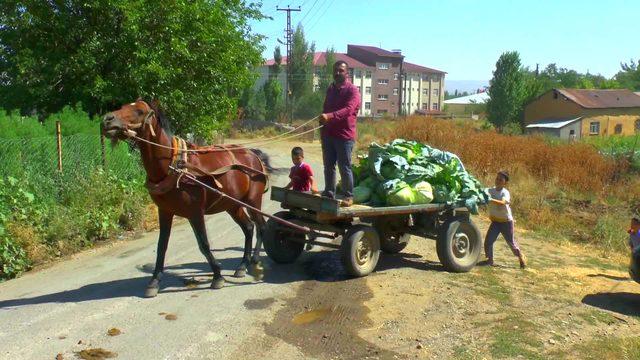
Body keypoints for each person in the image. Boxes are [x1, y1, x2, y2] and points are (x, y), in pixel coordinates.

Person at [319, 60, 361, 207]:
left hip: (344, 136)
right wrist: (322, 127)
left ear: (347, 73)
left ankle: (348, 196)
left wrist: (329, 116)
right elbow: (325, 108)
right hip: (328, 134)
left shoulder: (353, 90)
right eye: (335, 70)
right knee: (328, 166)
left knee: (345, 166)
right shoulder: (331, 89)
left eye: (341, 70)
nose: (337, 73)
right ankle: (329, 192)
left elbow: (349, 110)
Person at [484, 170, 527, 269]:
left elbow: (503, 202)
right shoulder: (491, 190)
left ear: (505, 182)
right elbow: (482, 192)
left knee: (511, 244)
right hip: (495, 222)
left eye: (500, 179)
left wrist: (490, 200)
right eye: (497, 178)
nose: (498, 181)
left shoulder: (505, 193)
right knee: (488, 241)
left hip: (506, 222)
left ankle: (521, 257)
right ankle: (489, 260)